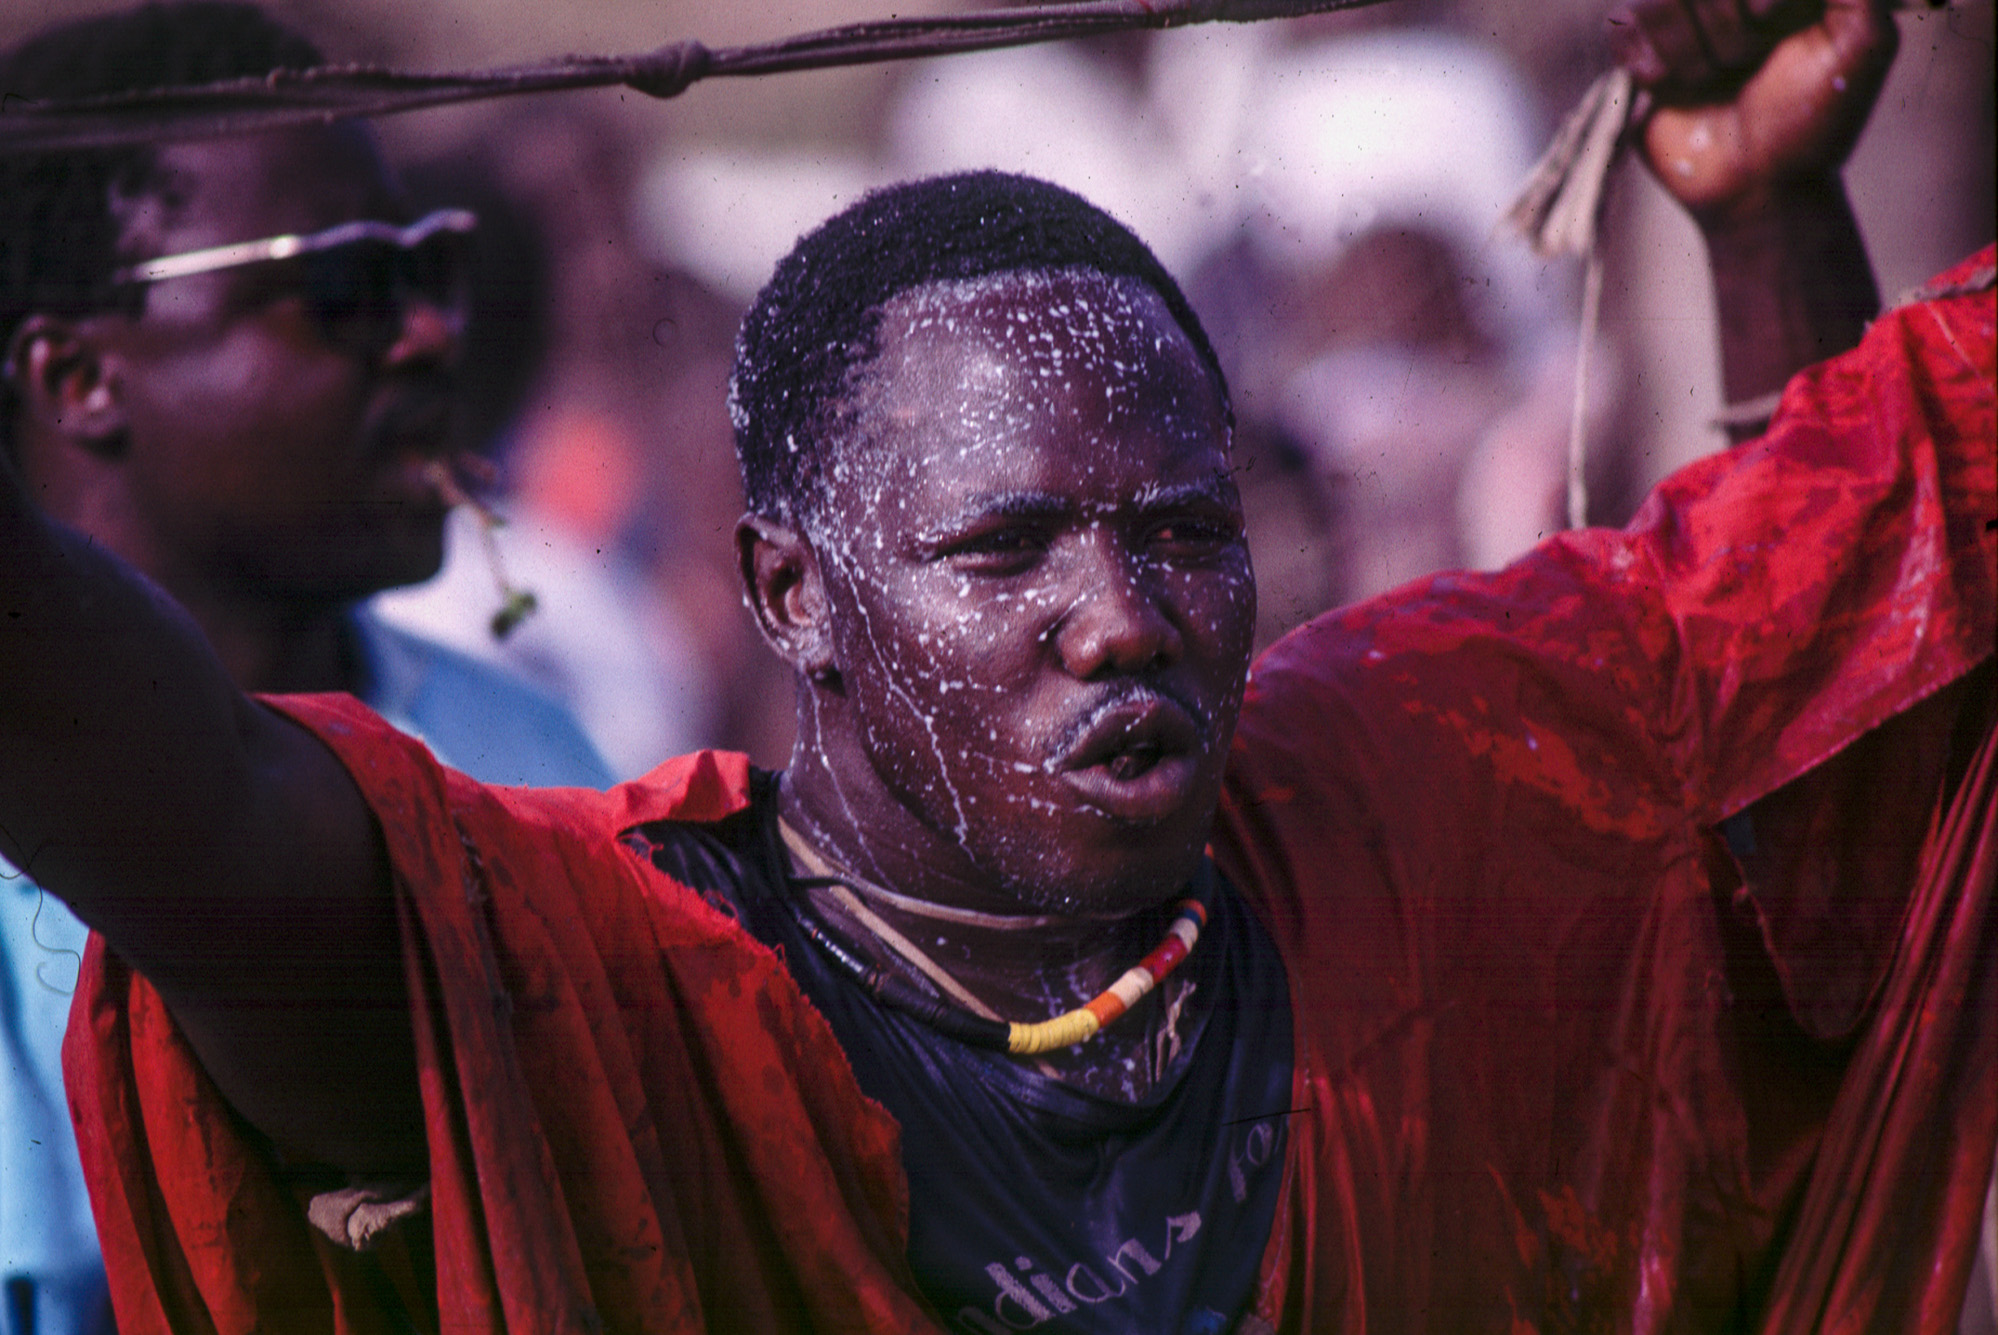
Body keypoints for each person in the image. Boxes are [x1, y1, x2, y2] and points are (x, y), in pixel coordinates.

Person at [2, 2, 1991, 1334]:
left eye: (1187, 531)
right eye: (1001, 547)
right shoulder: (614, 978)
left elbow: (1809, 653)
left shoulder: (1392, 791)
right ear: (788, 592)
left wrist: (1765, 214)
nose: (1122, 612)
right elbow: (192, 814)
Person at [0, 7, 613, 1333]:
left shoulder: (530, 755)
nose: (429, 336)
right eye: (342, 288)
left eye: (427, 268)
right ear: (76, 374)